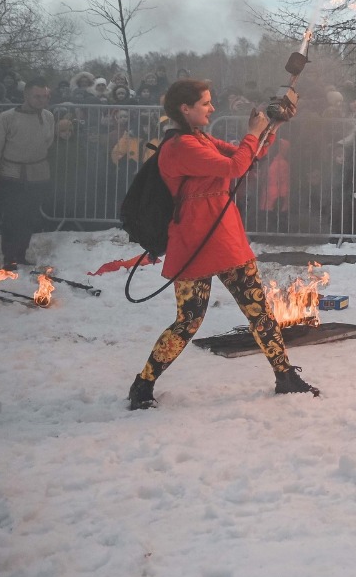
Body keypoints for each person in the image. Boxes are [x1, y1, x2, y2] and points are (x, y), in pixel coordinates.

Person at [126, 80, 317, 410]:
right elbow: (234, 167)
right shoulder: (180, 147)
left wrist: (271, 125)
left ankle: (285, 375)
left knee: (258, 310)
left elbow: (249, 156)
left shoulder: (198, 138)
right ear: (185, 110)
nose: (212, 109)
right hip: (196, 241)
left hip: (223, 237)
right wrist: (254, 130)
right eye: (205, 103)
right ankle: (143, 384)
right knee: (189, 321)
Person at [0, 78, 55, 267]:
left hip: (37, 175)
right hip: (11, 175)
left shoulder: (48, 116)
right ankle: (9, 257)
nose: (42, 100)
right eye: (37, 96)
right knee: (11, 217)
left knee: (29, 217)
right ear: (26, 95)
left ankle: (21, 254)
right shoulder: (7, 117)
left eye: (45, 97)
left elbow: (47, 143)